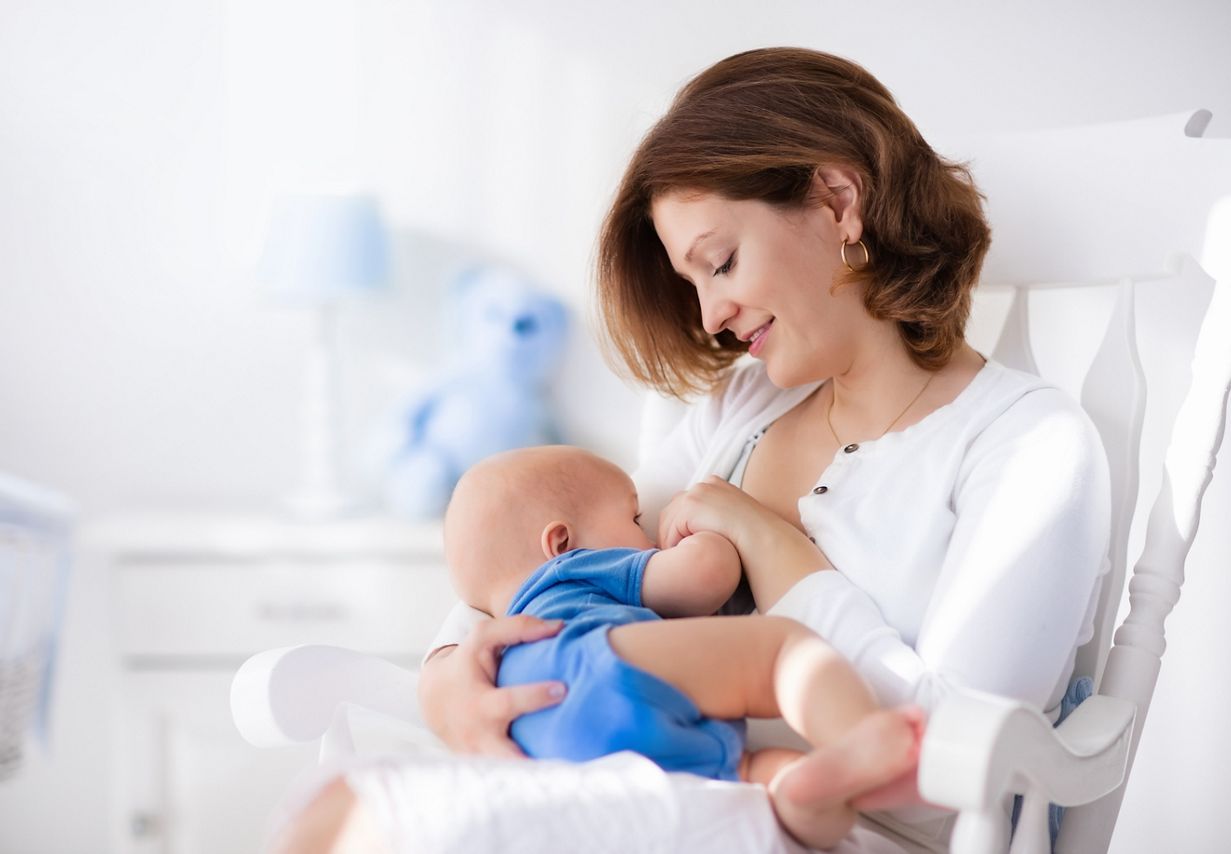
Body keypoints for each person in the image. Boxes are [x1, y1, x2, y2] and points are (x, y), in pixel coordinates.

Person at [284, 46, 1111, 853]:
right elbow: (565, 553)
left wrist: (773, 547)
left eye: (719, 262)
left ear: (836, 200)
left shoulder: (1026, 445)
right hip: (635, 795)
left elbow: (951, 766)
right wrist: (446, 675)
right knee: (344, 814)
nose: (711, 314)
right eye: (693, 283)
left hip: (840, 827)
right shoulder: (740, 404)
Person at [443, 443, 924, 849]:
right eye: (635, 517)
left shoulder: (500, 645)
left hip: (543, 744)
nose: (648, 534)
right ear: (562, 541)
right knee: (781, 652)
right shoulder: (573, 570)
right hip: (597, 664)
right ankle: (862, 738)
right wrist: (704, 538)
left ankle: (798, 789)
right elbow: (706, 576)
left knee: (748, 775)